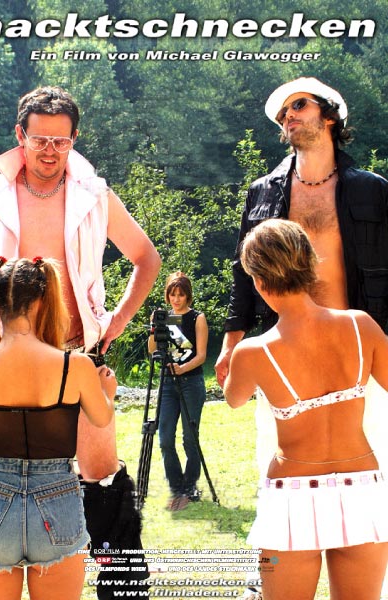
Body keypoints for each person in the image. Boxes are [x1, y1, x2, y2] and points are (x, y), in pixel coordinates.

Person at [0, 86, 160, 598]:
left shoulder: (95, 194)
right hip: (5, 359)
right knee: (3, 470)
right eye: (40, 139)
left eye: (61, 140)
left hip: (79, 352)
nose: (50, 150)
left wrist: (117, 320)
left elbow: (147, 257)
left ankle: (122, 592)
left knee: (102, 476)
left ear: (74, 139)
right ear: (20, 136)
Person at [214, 76, 388, 474]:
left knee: (374, 473)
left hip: (357, 349)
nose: (287, 115)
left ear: (329, 116)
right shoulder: (263, 192)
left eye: (299, 105)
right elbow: (245, 272)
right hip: (284, 352)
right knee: (279, 466)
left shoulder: (373, 191)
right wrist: (230, 342)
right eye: (283, 113)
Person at [224, 219, 388, 600]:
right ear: (310, 264)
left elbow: (233, 398)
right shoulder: (361, 326)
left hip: (292, 497)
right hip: (362, 489)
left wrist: (231, 362)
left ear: (259, 282)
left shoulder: (253, 352)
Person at [0, 256, 116, 600]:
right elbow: (101, 418)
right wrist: (107, 391)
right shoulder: (75, 366)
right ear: (43, 300)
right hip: (57, 501)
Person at [148, 272, 208, 511]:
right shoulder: (165, 318)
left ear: (188, 295)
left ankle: (189, 488)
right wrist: (154, 327)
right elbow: (152, 350)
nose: (176, 299)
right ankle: (176, 488)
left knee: (189, 438)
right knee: (165, 438)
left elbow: (201, 356)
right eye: (172, 294)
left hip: (191, 382)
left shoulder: (197, 318)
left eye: (180, 295)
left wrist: (182, 368)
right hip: (167, 384)